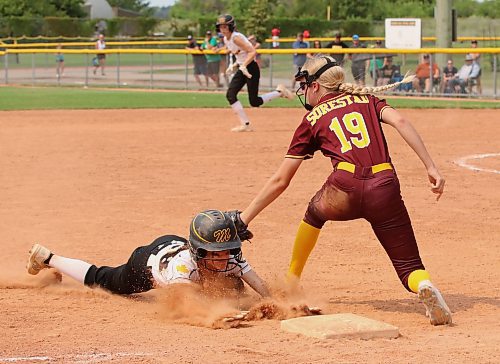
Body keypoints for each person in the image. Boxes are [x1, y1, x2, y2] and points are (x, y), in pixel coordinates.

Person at [236, 55, 452, 326]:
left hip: (344, 189)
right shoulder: (367, 100)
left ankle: (292, 279)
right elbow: (402, 122)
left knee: (314, 213)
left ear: (316, 86)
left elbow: (281, 180)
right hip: (384, 186)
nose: (303, 91)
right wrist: (431, 166)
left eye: (305, 84)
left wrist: (245, 218)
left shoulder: (312, 118)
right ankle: (424, 285)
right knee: (409, 266)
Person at [27, 209, 270, 299]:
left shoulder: (230, 255)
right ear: (198, 251)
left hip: (172, 242)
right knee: (103, 278)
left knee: (234, 287)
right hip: (145, 263)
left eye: (225, 250)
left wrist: (277, 302)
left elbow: (261, 287)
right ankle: (48, 257)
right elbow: (188, 303)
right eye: (214, 253)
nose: (222, 257)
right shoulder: (182, 268)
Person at [215, 14, 294, 132]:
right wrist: (235, 64)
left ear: (231, 26)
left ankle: (279, 92)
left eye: (225, 26)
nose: (222, 29)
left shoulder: (236, 37)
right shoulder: (226, 39)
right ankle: (245, 124)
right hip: (243, 68)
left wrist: (243, 65)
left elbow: (252, 52)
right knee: (230, 95)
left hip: (251, 68)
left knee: (254, 102)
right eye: (221, 27)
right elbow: (240, 53)